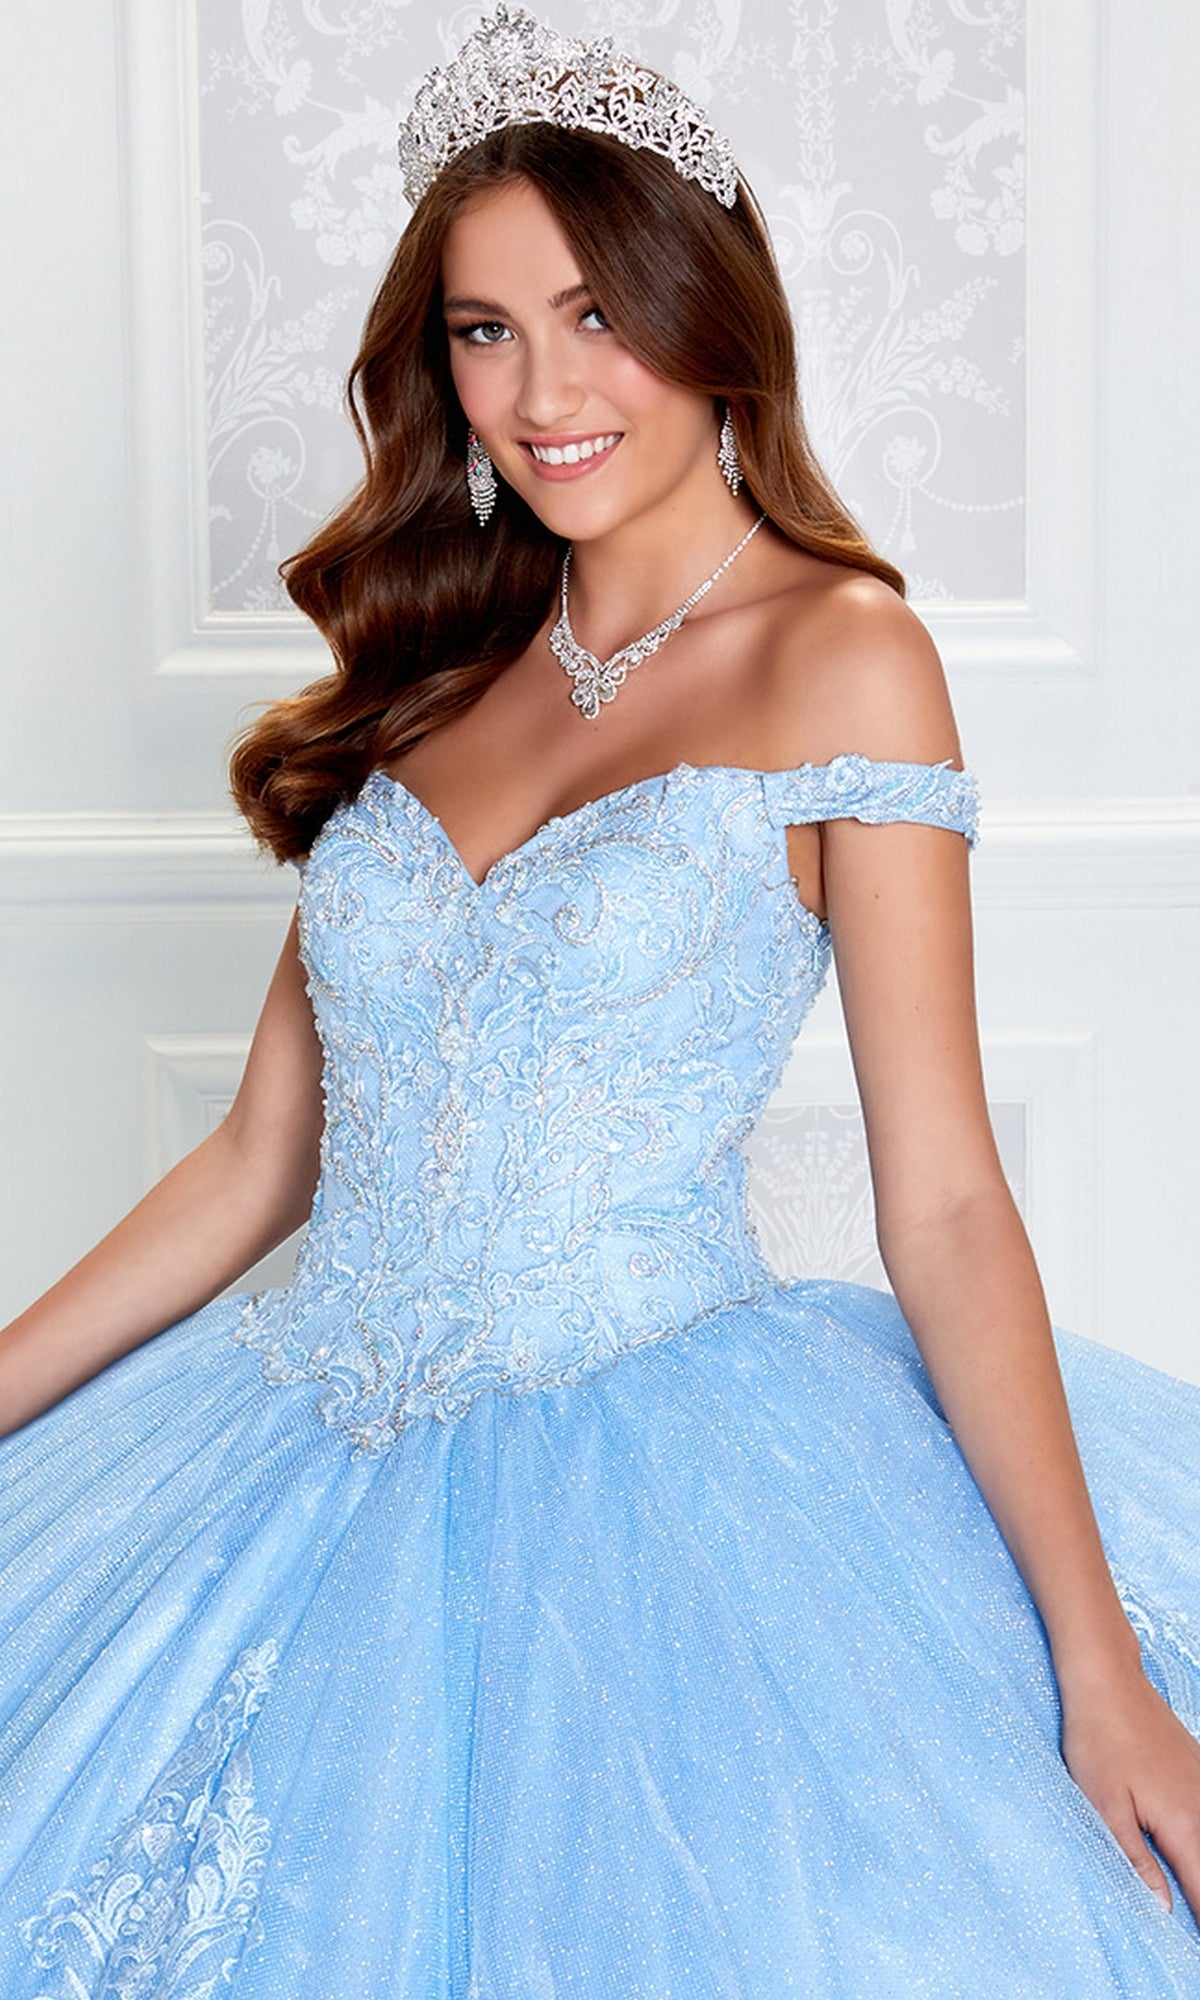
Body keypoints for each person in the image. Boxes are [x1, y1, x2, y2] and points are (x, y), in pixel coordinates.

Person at [1, 8, 1198, 1995]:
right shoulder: (434, 670)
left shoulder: (844, 654)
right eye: (484, 333)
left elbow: (951, 1202)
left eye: (594, 316)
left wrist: (1100, 1669)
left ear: (708, 315)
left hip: (661, 1489)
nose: (546, 392)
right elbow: (258, 1160)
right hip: (291, 1437)